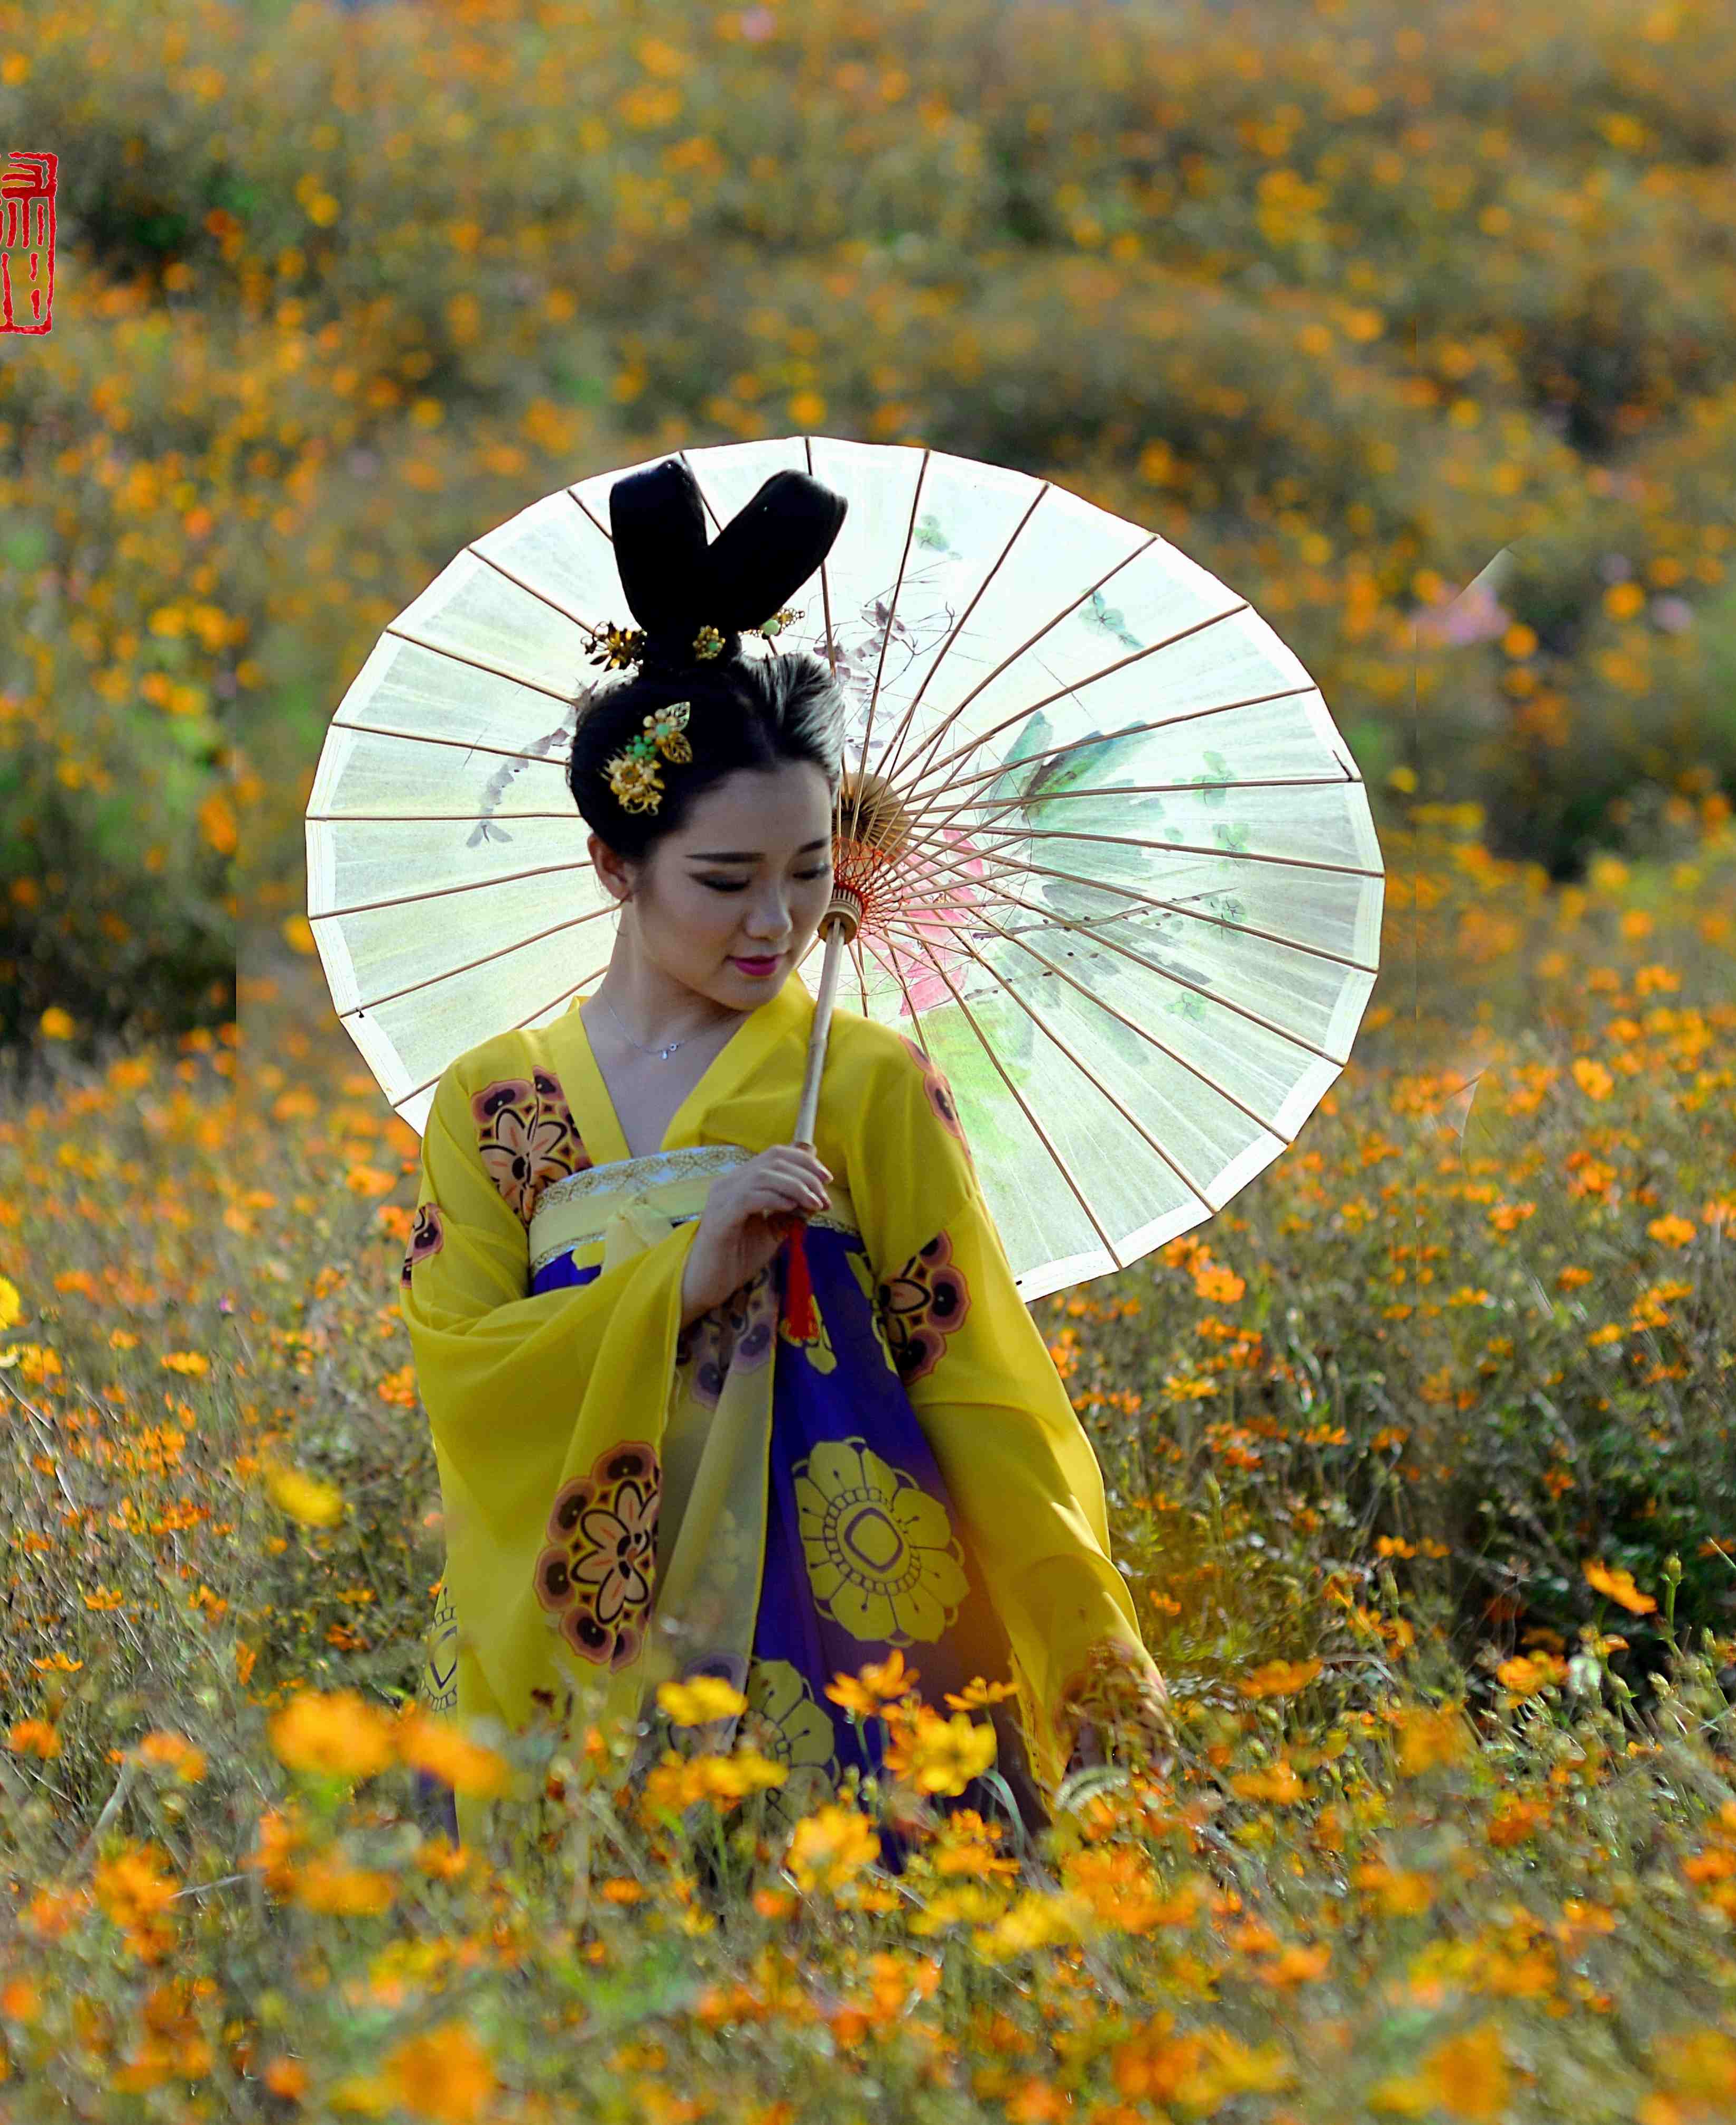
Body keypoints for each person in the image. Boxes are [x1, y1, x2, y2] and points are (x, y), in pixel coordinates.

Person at [394, 462, 1175, 1865]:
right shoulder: (499, 1104)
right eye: (725, 879)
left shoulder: (867, 1085)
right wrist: (681, 1281)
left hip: (864, 1637)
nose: (781, 920)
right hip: (611, 1655)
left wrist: (1090, 1649)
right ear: (612, 865)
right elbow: (462, 1365)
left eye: (812, 869)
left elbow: (983, 1379)